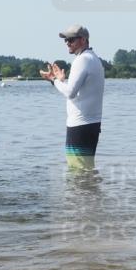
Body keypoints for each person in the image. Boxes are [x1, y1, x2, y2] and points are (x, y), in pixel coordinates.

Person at [40, 24, 105, 170]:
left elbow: (70, 93)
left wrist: (54, 80)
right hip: (90, 124)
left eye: (71, 40)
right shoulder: (93, 58)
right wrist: (61, 81)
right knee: (86, 169)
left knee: (78, 170)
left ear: (83, 40)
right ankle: (90, 192)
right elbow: (78, 90)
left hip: (80, 125)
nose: (67, 43)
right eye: (66, 40)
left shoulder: (82, 60)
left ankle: (81, 193)